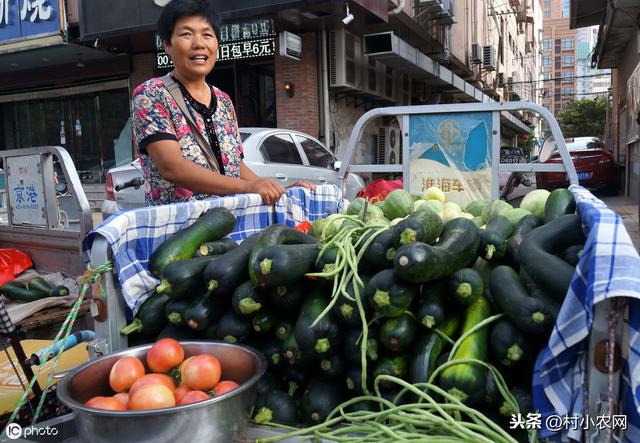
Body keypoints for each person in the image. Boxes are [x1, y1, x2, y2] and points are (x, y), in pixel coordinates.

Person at [131, 0, 314, 206]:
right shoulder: (151, 94)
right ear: (167, 45)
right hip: (177, 228)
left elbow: (236, 166)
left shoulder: (224, 101)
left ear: (217, 44)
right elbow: (172, 167)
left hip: (227, 224)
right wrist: (248, 188)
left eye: (207, 35)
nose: (199, 43)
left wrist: (277, 191)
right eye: (186, 34)